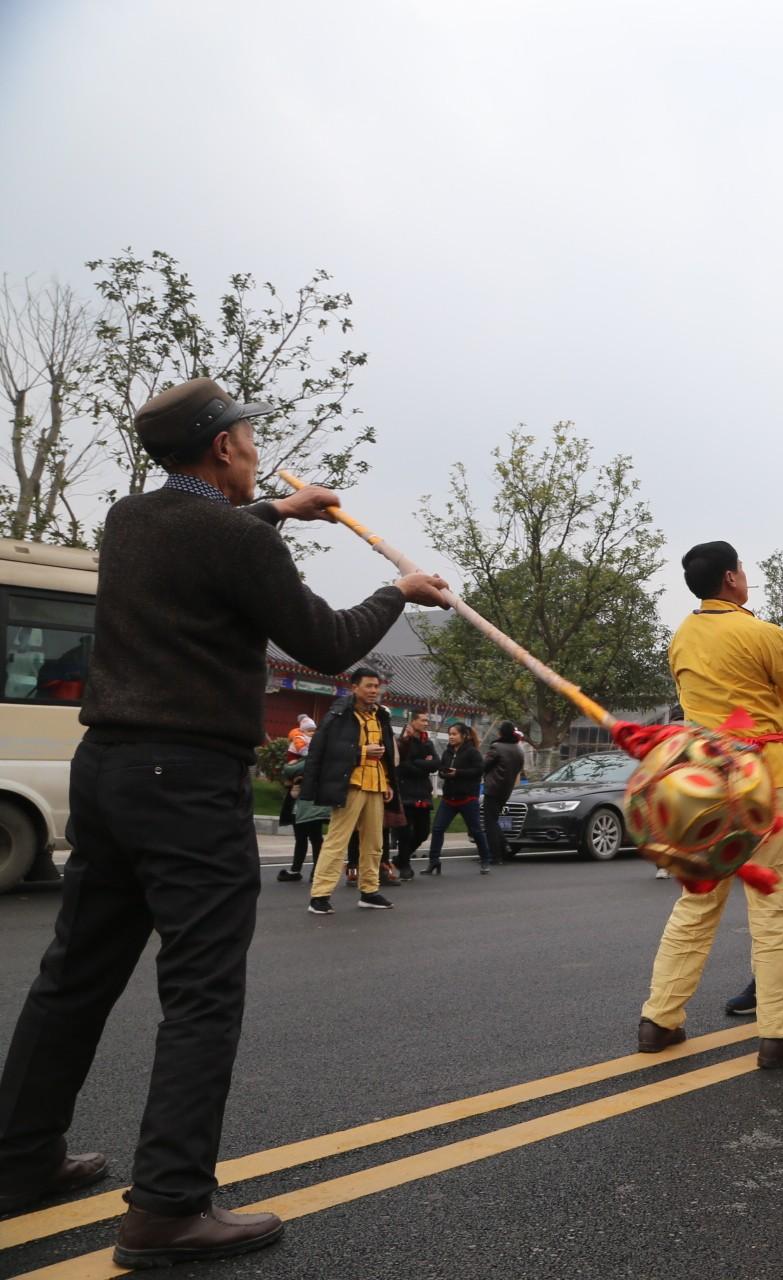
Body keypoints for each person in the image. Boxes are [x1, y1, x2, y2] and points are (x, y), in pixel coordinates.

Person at [0, 377, 446, 1266]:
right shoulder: (236, 538)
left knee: (74, 974)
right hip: (188, 777)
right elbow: (323, 640)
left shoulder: (131, 520)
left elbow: (218, 534)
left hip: (109, 770)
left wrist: (284, 508)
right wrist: (398, 592)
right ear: (223, 448)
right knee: (202, 989)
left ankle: (16, 1163)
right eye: (246, 434)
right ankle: (167, 1206)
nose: (252, 444)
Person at [634, 541, 783, 1070]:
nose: (745, 576)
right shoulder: (760, 632)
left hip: (703, 781)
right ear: (730, 579)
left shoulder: (681, 638)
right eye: (742, 569)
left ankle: (660, 1019)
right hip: (761, 779)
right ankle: (778, 1033)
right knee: (774, 908)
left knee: (696, 903)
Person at [304, 671, 398, 913]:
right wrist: (362, 753)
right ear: (354, 687)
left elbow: (385, 755)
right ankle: (320, 896)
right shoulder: (339, 715)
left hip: (376, 786)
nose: (373, 690)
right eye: (368, 686)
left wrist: (387, 781)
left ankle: (369, 891)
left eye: (376, 686)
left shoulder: (381, 716)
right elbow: (328, 752)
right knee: (337, 841)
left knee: (375, 843)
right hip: (351, 784)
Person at [427, 723, 489, 873]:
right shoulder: (447, 752)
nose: (451, 737)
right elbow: (441, 769)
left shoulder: (472, 752)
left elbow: (478, 771)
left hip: (467, 799)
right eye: (450, 734)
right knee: (437, 829)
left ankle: (485, 859)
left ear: (464, 736)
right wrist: (444, 773)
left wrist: (458, 773)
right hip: (449, 799)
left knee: (475, 830)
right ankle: (433, 862)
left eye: (454, 734)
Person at [391, 711, 439, 880]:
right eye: (423, 720)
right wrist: (423, 764)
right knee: (405, 832)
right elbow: (401, 765)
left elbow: (436, 764)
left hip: (422, 792)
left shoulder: (428, 742)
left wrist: (417, 763)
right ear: (413, 721)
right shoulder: (402, 741)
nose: (426, 723)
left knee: (423, 832)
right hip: (405, 792)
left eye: (428, 720)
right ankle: (405, 865)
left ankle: (400, 859)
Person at [275, 762, 329, 884]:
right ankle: (311, 872)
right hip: (310, 807)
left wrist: (291, 763)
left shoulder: (309, 760)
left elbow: (289, 769)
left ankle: (300, 871)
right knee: (313, 839)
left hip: (307, 807)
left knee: (308, 839)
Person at [482, 722, 526, 864]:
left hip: (493, 788)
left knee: (490, 822)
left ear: (501, 733)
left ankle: (497, 855)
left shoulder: (496, 747)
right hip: (506, 790)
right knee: (494, 820)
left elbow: (484, 765)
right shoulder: (519, 750)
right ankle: (504, 846)